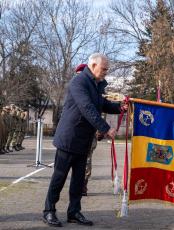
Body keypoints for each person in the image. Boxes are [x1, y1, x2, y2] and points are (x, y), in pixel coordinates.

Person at [42, 53, 127, 227]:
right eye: (104, 69)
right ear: (93, 65)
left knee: (79, 180)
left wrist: (121, 107)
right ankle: (49, 211)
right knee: (59, 177)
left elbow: (102, 105)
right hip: (69, 139)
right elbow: (87, 108)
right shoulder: (79, 82)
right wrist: (105, 128)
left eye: (106, 69)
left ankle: (74, 212)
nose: (106, 72)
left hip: (84, 141)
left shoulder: (96, 86)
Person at [74, 63, 99, 196]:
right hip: (74, 134)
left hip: (89, 135)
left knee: (87, 160)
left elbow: (98, 112)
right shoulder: (76, 87)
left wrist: (100, 129)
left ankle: (83, 185)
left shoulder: (95, 91)